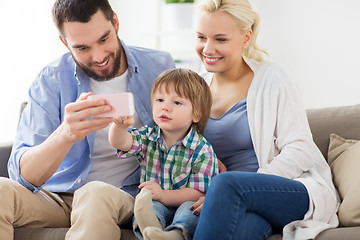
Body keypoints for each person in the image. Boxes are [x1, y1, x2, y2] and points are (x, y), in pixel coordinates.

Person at [1, 0, 175, 239]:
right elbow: (24, 177)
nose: (98, 56)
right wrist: (66, 134)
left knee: (93, 193)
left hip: (122, 195)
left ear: (115, 22)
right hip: (59, 198)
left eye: (104, 39)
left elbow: (186, 131)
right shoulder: (50, 80)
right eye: (82, 48)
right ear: (65, 43)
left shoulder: (158, 67)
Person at [190, 0, 340, 239]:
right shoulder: (194, 86)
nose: (207, 49)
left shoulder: (272, 78)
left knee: (227, 185)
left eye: (220, 39)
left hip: (286, 188)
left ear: (246, 37)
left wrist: (247, 185)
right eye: (201, 37)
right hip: (233, 201)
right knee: (245, 228)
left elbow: (300, 149)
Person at [109, 68, 219, 240]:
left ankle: (175, 235)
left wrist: (163, 194)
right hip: (155, 203)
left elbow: (198, 193)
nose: (165, 107)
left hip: (185, 203)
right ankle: (150, 230)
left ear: (196, 114)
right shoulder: (148, 136)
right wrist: (120, 127)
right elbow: (120, 142)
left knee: (191, 211)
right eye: (160, 100)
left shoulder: (202, 149)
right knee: (148, 207)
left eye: (177, 103)